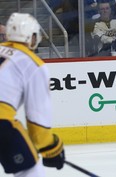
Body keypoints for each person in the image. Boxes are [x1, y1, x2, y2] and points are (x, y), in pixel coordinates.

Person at [0, 13, 65, 176]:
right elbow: (38, 121)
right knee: (30, 168)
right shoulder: (32, 64)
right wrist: (51, 148)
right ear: (32, 37)